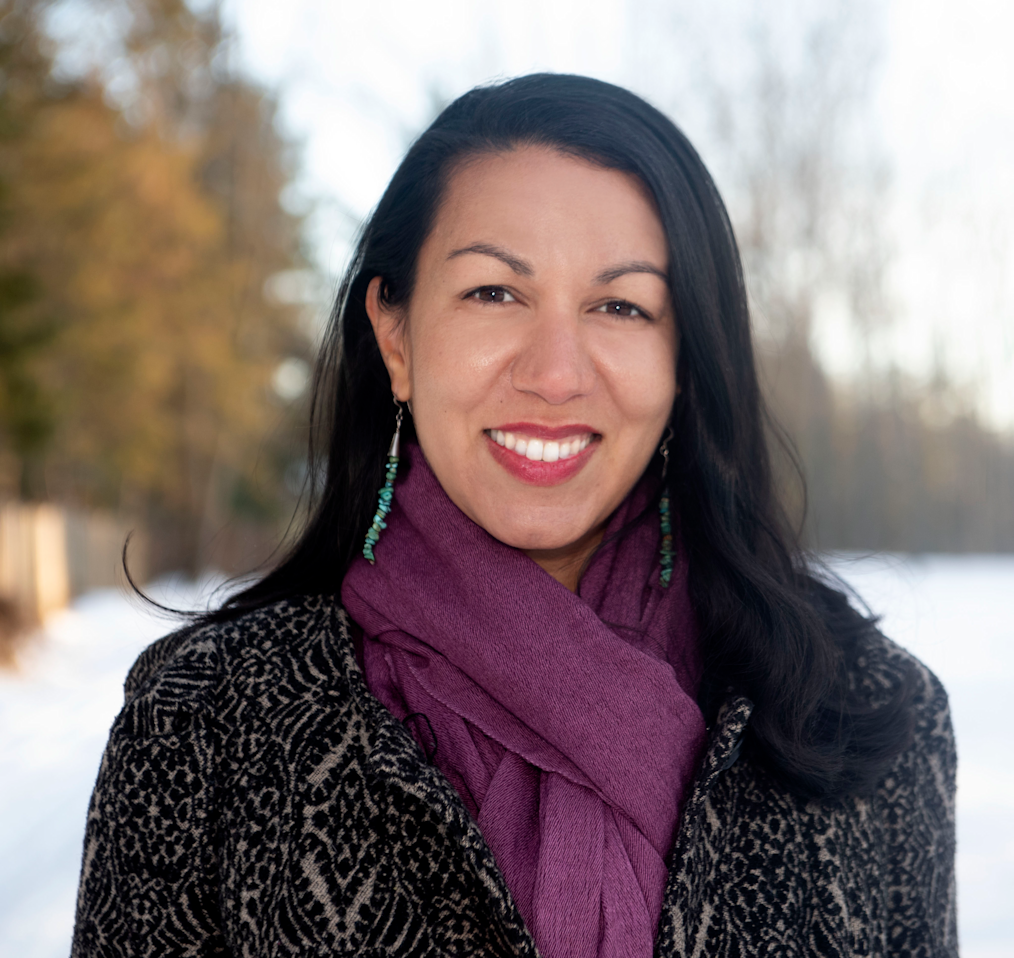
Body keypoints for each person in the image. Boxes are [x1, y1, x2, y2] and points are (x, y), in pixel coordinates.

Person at [72, 74, 956, 958]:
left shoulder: (869, 713)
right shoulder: (208, 724)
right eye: (495, 292)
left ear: (685, 360)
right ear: (397, 337)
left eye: (621, 305)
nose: (557, 372)